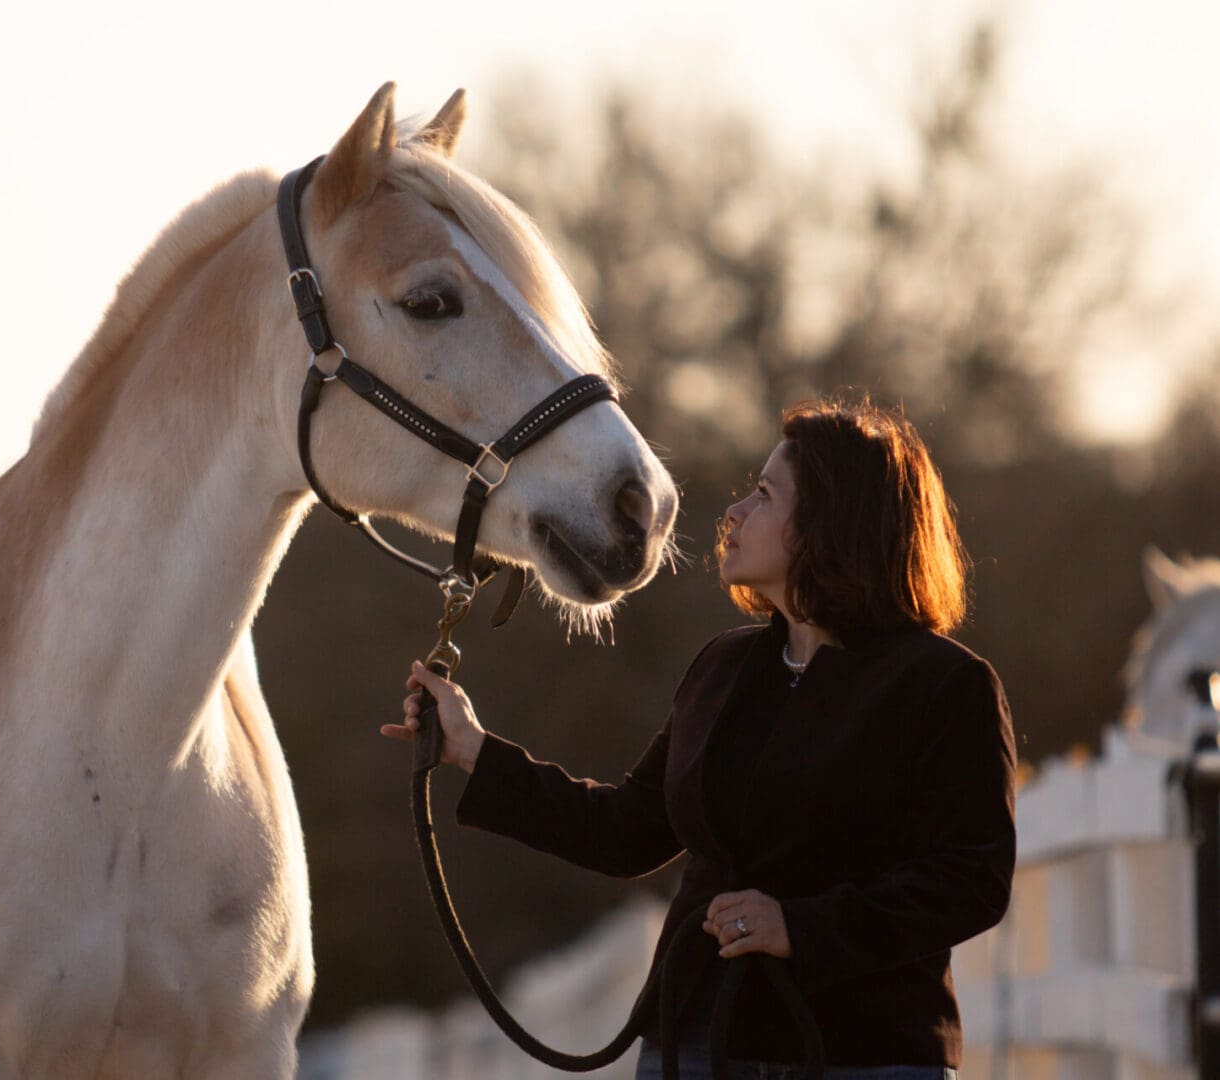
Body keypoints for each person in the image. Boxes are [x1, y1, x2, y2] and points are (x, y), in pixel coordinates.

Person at [382, 398, 1015, 1079]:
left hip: (863, 1056)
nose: (735, 513)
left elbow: (971, 880)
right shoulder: (725, 666)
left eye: (765, 496)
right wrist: (472, 749)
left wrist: (804, 928)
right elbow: (628, 831)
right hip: (695, 1044)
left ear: (834, 524)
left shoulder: (946, 685)